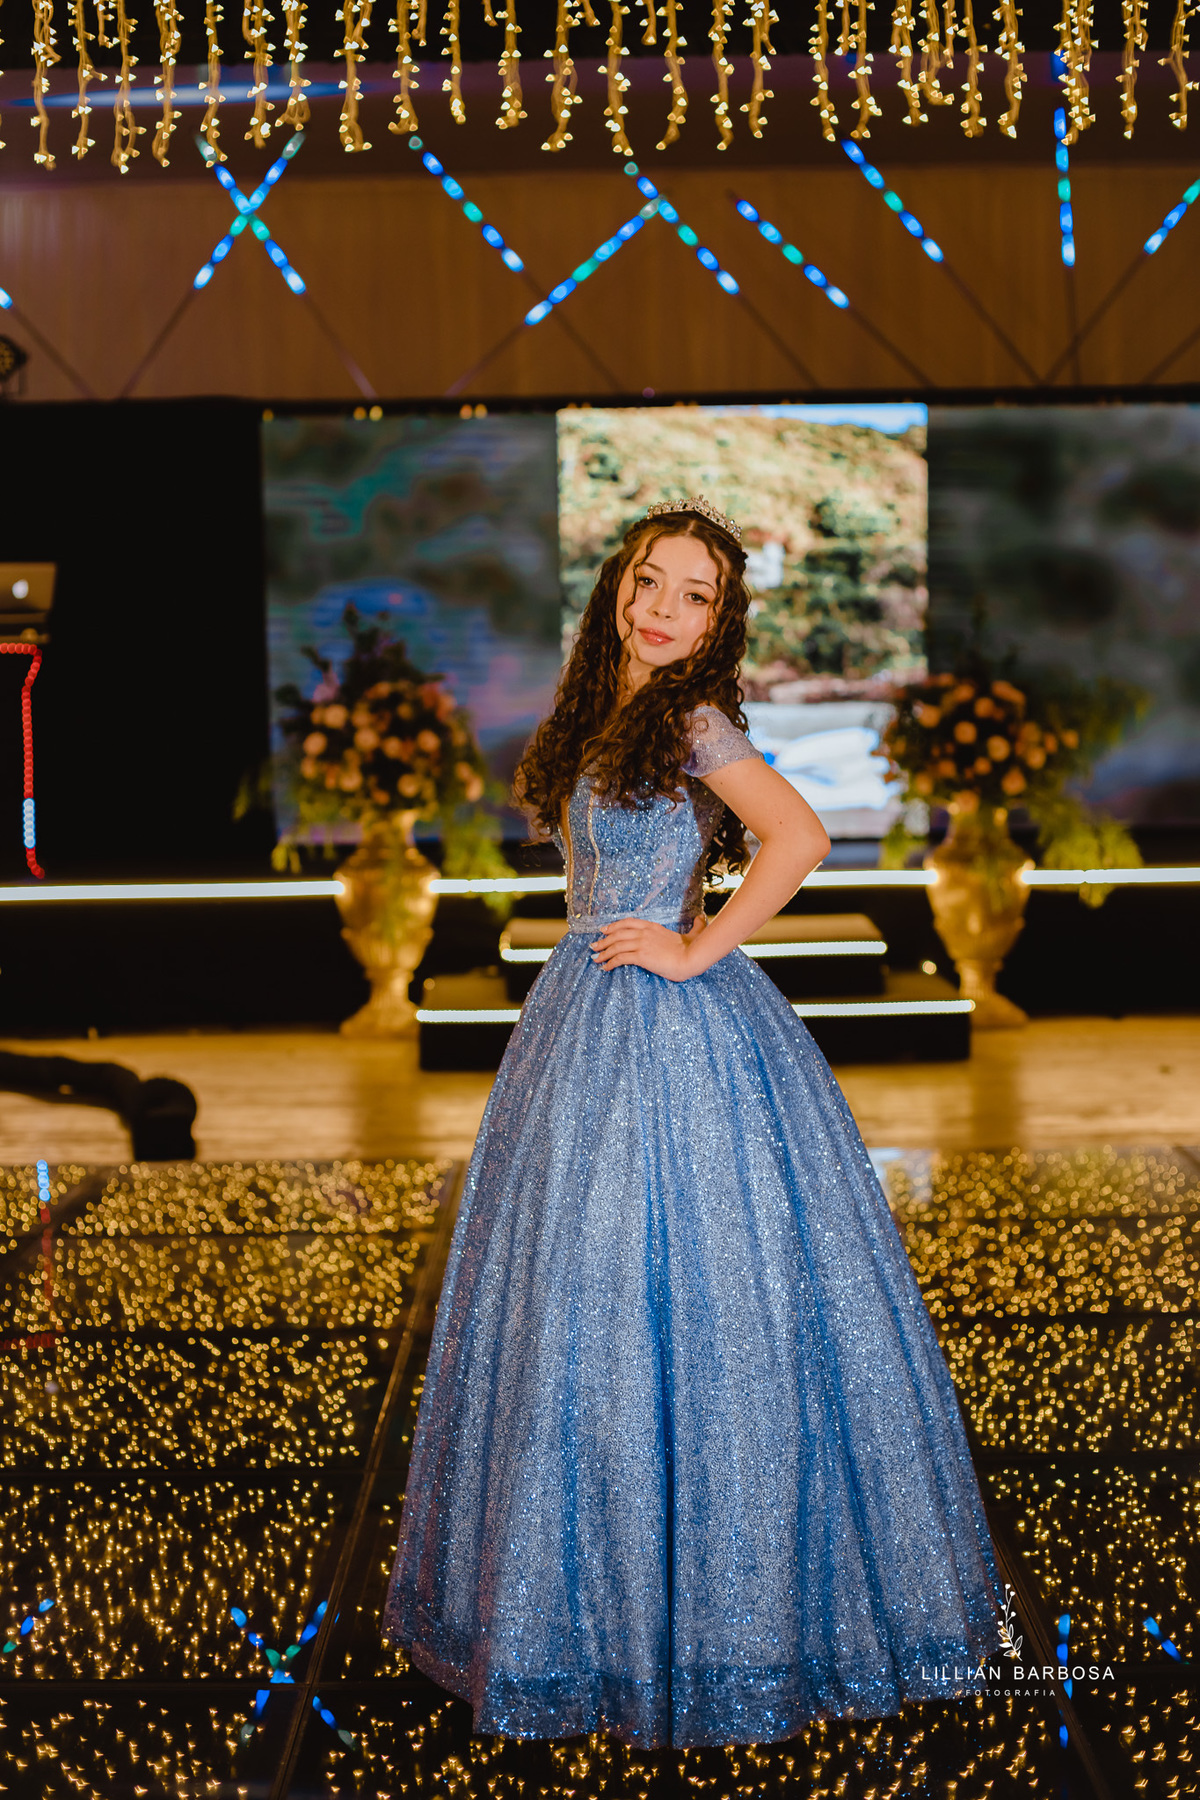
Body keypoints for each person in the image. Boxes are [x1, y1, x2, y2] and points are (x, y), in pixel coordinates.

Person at [384, 496, 1003, 1748]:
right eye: (648, 582)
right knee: (581, 1295)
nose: (663, 608)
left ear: (721, 621)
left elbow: (799, 835)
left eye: (695, 594)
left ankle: (718, 1618)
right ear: (618, 588)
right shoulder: (600, 708)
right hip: (578, 1019)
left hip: (668, 1020)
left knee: (684, 1291)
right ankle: (591, 1611)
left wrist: (693, 945)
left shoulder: (691, 718)